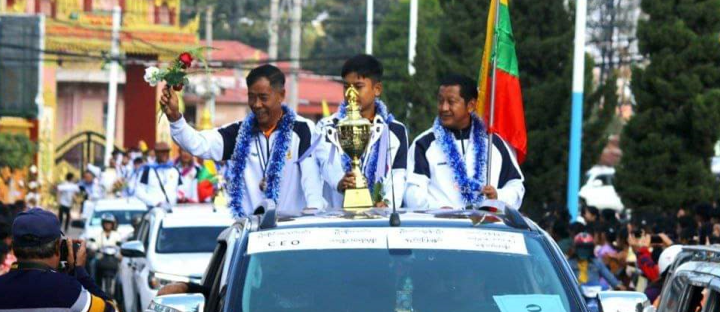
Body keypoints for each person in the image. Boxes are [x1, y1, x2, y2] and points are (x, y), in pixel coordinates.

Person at [162, 64, 325, 217]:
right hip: (251, 235)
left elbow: (311, 183)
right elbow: (199, 144)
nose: (256, 104)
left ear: (281, 95)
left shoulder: (303, 130)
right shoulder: (238, 133)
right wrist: (175, 118)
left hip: (289, 234)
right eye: (251, 97)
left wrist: (312, 214)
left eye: (263, 97)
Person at [406, 74, 525, 210]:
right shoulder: (423, 144)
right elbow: (412, 191)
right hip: (440, 226)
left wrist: (499, 195)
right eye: (440, 101)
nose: (444, 108)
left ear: (471, 105)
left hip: (486, 228)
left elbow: (516, 185)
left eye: (451, 102)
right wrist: (437, 209)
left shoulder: (494, 143)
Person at [315, 54, 409, 209]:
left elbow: (398, 175)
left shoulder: (395, 130)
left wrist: (388, 203)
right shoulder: (327, 127)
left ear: (377, 89)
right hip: (336, 219)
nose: (350, 94)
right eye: (346, 87)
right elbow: (326, 162)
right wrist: (340, 181)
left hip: (378, 220)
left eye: (358, 87)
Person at [134, 142, 181, 209]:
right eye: (161, 152)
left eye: (167, 151)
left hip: (173, 210)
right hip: (153, 210)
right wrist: (155, 202)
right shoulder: (147, 170)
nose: (165, 154)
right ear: (155, 153)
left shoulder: (174, 170)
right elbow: (139, 191)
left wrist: (178, 197)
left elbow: (180, 189)